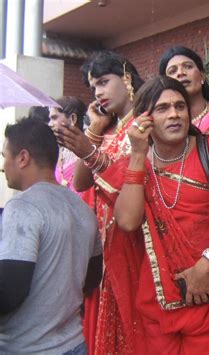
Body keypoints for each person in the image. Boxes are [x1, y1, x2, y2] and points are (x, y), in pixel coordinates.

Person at [100, 76, 209, 354]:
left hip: (206, 294)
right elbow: (127, 221)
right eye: (162, 109)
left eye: (180, 106)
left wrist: (206, 265)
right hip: (156, 304)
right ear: (144, 119)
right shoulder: (136, 162)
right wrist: (137, 155)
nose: (174, 114)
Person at [53, 50, 145, 354]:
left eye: (104, 82)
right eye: (94, 88)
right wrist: (92, 130)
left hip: (138, 237)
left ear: (127, 77)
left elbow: (136, 179)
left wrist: (89, 150)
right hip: (107, 241)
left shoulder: (145, 123)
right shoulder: (105, 129)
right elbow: (82, 182)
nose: (99, 92)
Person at [0, 118, 102, 354]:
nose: (3, 166)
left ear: (23, 158)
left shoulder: (23, 206)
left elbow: (10, 291)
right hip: (74, 343)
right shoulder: (83, 211)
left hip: (27, 347)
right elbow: (92, 278)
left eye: (5, 155)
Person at [159, 45, 209, 152]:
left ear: (202, 76)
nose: (180, 73)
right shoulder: (164, 125)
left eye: (188, 66)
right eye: (172, 71)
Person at [49, 96, 87, 192]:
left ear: (72, 119)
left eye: (54, 118)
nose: (50, 124)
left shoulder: (89, 152)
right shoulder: (59, 152)